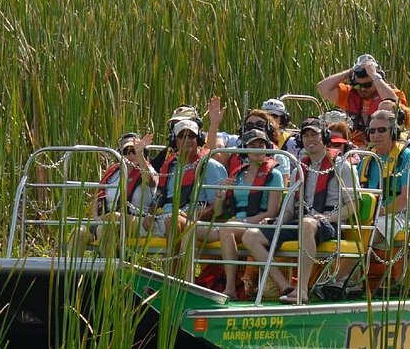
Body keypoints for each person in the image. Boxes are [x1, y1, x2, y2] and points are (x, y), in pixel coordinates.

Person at [241, 117, 357, 305]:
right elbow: (288, 210)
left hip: (331, 224)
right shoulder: (299, 170)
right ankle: (285, 286)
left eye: (314, 134)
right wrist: (275, 221)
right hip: (303, 222)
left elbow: (353, 206)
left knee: (307, 223)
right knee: (250, 236)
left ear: (324, 137)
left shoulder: (342, 166)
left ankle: (302, 290)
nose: (310, 139)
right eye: (306, 135)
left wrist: (327, 217)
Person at [321, 108, 410, 297]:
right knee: (336, 228)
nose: (376, 135)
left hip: (398, 216)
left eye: (382, 130)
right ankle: (344, 281)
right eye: (372, 131)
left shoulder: (408, 158)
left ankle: (335, 281)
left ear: (394, 132)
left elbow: (408, 197)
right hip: (367, 214)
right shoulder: (366, 158)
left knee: (366, 233)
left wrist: (382, 212)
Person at [205, 129, 285, 300]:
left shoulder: (274, 175)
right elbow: (219, 211)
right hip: (235, 223)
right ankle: (182, 282)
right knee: (191, 230)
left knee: (228, 229)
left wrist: (244, 221)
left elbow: (272, 212)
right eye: (252, 146)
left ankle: (230, 288)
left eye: (261, 145)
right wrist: (221, 191)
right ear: (245, 149)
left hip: (257, 223)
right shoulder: (237, 175)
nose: (257, 149)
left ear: (267, 147)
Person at [71, 132, 157, 255]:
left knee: (110, 219)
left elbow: (149, 179)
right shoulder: (113, 173)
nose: (130, 155)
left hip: (137, 222)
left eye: (134, 151)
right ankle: (71, 272)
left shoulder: (147, 170)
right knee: (79, 232)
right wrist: (96, 218)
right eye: (126, 151)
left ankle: (109, 270)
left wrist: (140, 154)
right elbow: (98, 198)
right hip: (106, 223)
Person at [144, 119, 227, 245]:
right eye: (182, 136)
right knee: (117, 220)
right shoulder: (169, 166)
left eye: (191, 136)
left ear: (198, 139)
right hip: (162, 219)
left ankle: (172, 265)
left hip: (195, 222)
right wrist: (149, 214)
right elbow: (159, 197)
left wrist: (193, 215)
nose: (187, 140)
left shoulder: (210, 166)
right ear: (174, 140)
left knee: (172, 221)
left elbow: (217, 208)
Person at [316, 53, 408, 145]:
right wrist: (351, 71)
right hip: (354, 148)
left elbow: (393, 101)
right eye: (357, 85)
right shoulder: (348, 94)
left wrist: (374, 74)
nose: (362, 89)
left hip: (381, 146)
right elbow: (322, 87)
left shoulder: (393, 93)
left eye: (367, 85)